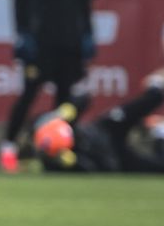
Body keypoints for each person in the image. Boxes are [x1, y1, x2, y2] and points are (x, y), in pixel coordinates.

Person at [0, 0, 98, 173]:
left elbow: (85, 2)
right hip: (40, 43)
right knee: (29, 94)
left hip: (69, 44)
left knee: (66, 101)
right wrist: (23, 34)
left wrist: (87, 34)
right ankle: (8, 148)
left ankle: (59, 154)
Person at [34, 70, 164, 172]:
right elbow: (91, 169)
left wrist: (68, 109)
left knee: (147, 101)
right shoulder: (59, 163)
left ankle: (156, 87)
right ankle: (160, 136)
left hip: (107, 127)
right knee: (155, 168)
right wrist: (74, 163)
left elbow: (84, 97)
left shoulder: (61, 122)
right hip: (114, 156)